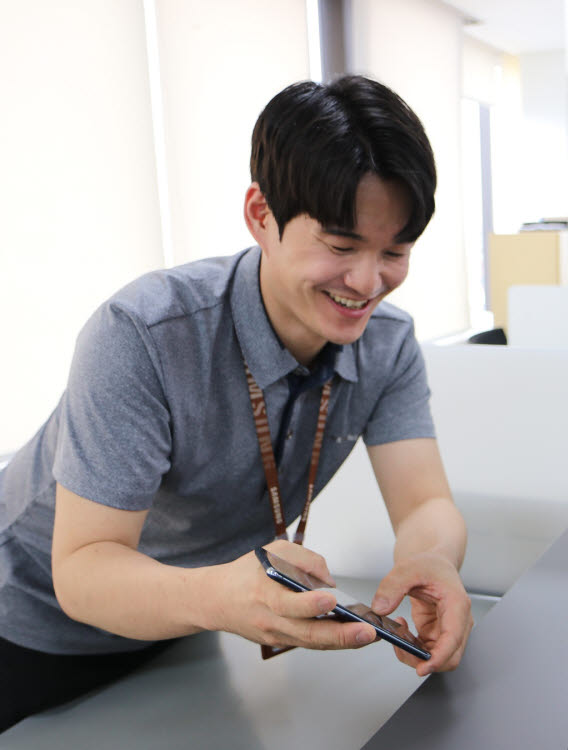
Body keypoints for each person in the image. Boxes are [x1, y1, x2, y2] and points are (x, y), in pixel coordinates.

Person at [0, 75, 472, 732]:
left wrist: (434, 560)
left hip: (171, 619)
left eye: (394, 252)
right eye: (340, 247)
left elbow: (424, 502)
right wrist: (219, 595)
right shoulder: (142, 334)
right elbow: (82, 571)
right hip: (25, 620)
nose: (368, 283)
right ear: (260, 216)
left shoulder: (386, 345)